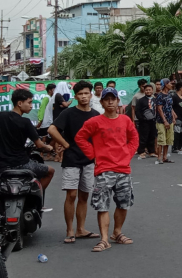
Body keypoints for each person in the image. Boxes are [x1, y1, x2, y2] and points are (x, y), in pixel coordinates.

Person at [75, 87, 139, 252]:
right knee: (102, 206)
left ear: (118, 101)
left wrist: (127, 154)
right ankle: (104, 239)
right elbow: (80, 137)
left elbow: (134, 138)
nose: (110, 101)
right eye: (107, 99)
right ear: (102, 102)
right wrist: (92, 155)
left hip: (123, 168)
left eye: (113, 98)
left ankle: (116, 232)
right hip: (104, 169)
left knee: (124, 204)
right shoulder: (94, 122)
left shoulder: (125, 120)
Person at [48, 81, 101, 243]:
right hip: (71, 159)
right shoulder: (68, 113)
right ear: (76, 96)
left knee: (84, 195)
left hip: (89, 160)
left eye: (86, 93)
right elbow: (51, 129)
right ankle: (70, 230)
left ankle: (81, 229)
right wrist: (65, 144)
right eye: (80, 94)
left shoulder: (96, 115)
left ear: (91, 95)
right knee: (71, 195)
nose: (84, 97)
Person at [0, 89, 55, 189]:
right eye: (29, 102)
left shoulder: (1, 116)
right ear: (20, 103)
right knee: (50, 171)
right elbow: (39, 145)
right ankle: (37, 202)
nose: (31, 106)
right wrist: (49, 148)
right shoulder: (25, 122)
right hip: (21, 164)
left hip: (2, 165)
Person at [156, 79, 176, 164]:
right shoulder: (160, 95)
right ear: (165, 84)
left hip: (169, 119)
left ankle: (165, 157)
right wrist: (165, 121)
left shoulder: (169, 95)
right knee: (161, 139)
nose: (171, 85)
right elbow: (159, 109)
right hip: (161, 121)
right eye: (170, 83)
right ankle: (159, 157)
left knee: (168, 139)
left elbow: (170, 107)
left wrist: (173, 117)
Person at [136, 84, 157, 160]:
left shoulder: (155, 100)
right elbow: (137, 111)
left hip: (153, 121)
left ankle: (151, 151)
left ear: (152, 90)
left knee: (152, 136)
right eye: (146, 90)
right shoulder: (141, 100)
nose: (148, 91)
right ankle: (141, 151)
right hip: (144, 122)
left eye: (149, 90)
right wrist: (142, 118)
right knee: (143, 137)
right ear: (144, 91)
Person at [171, 82, 182, 155]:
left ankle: (180, 146)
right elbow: (171, 107)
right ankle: (175, 147)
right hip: (177, 117)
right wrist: (173, 115)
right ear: (180, 88)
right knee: (176, 132)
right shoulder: (174, 97)